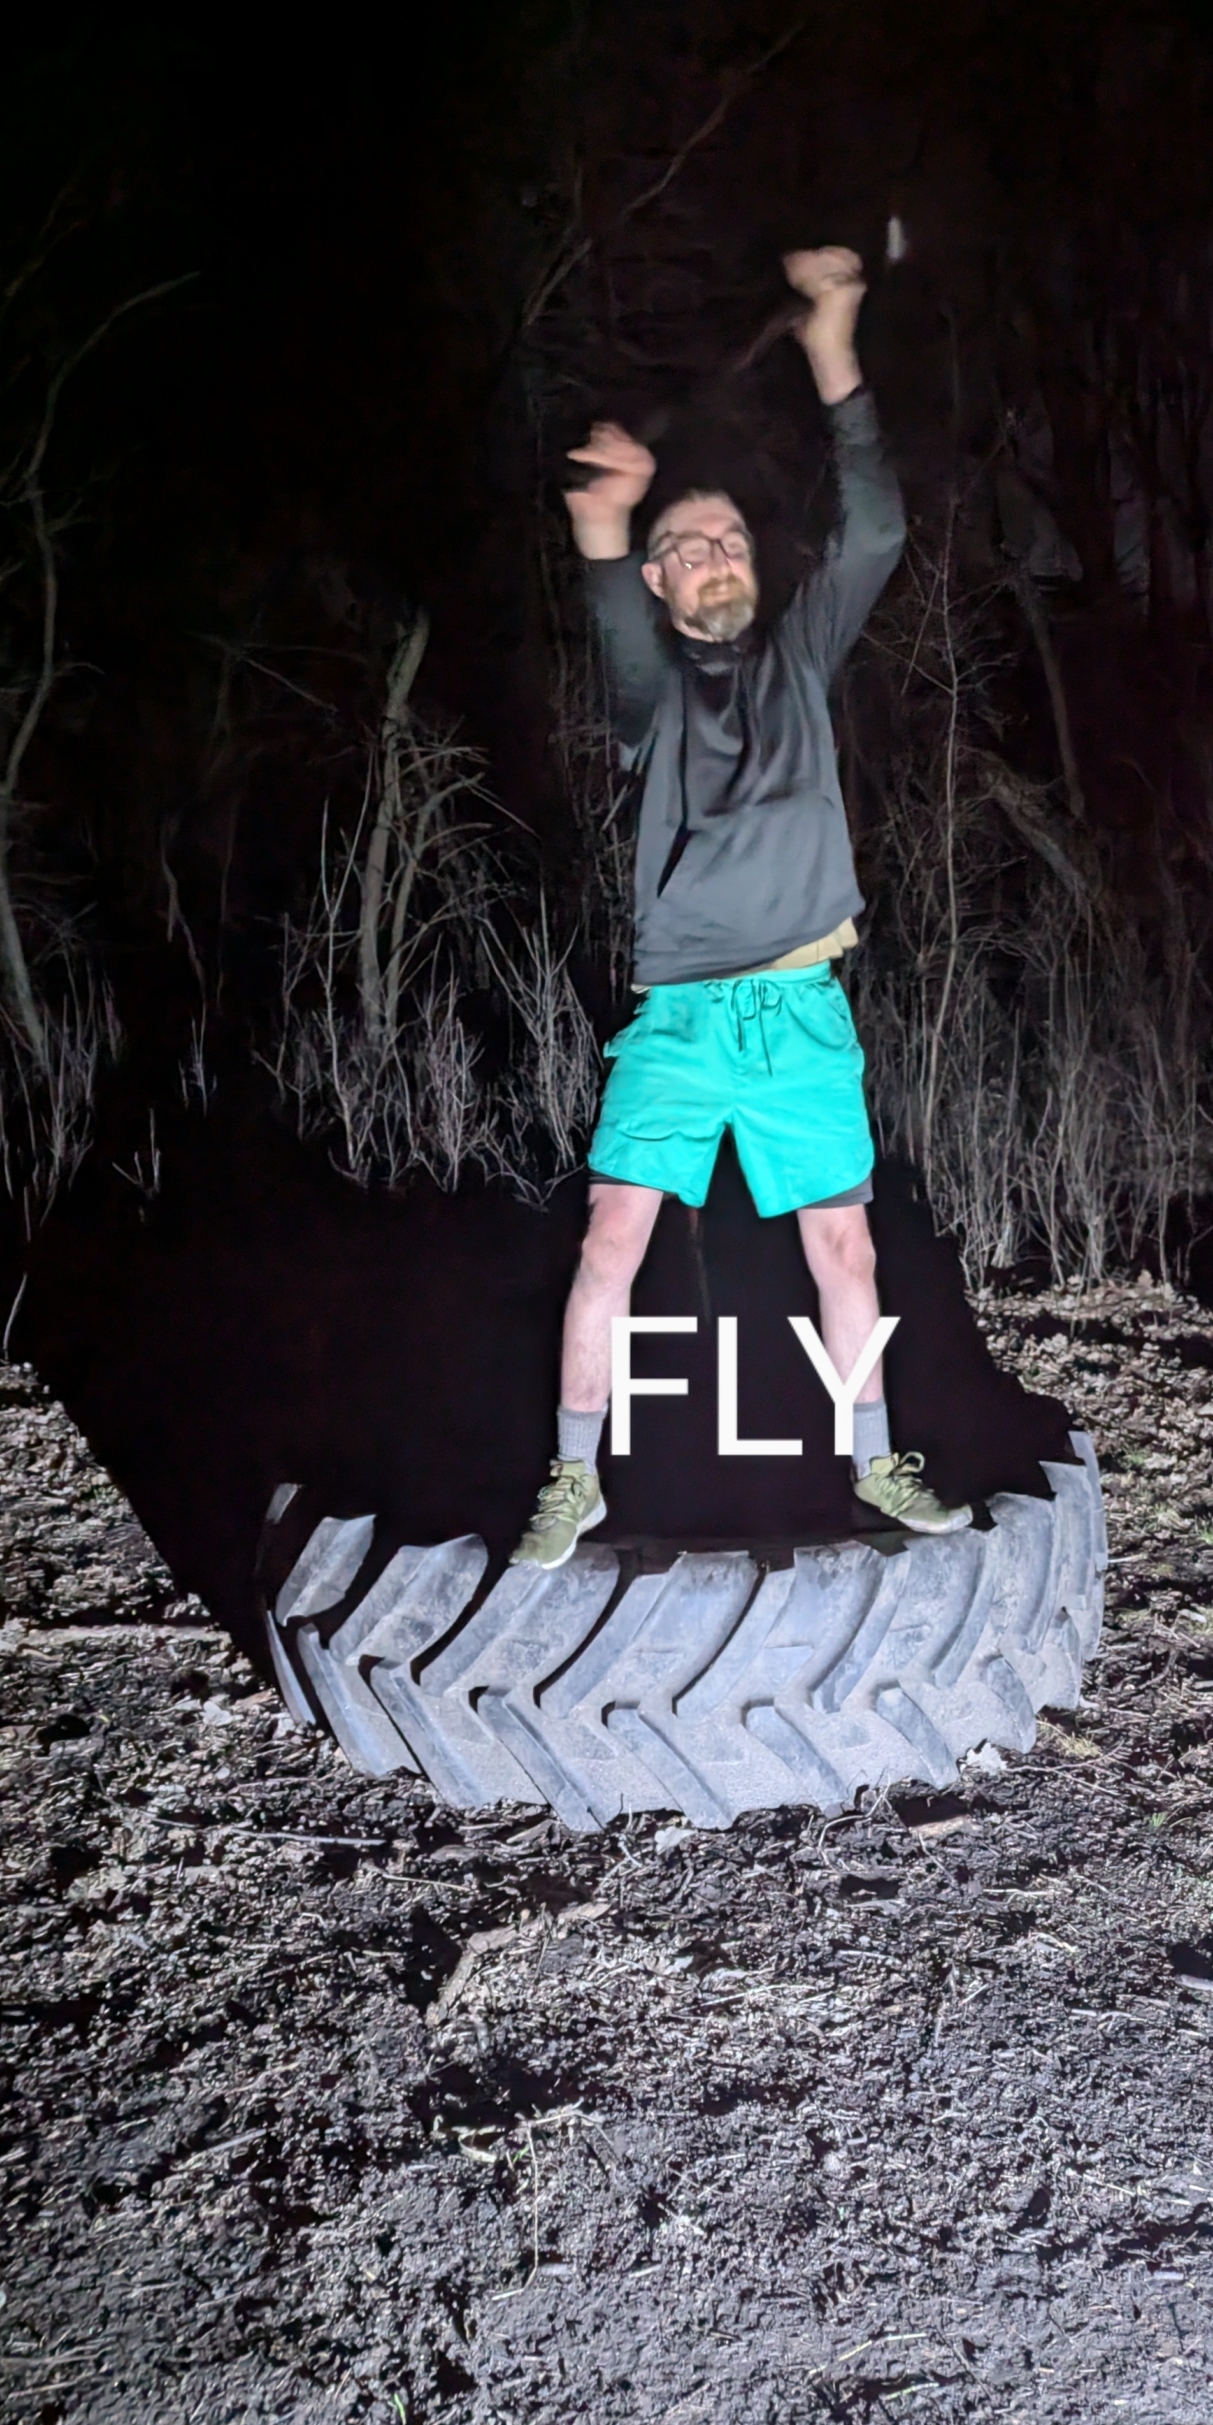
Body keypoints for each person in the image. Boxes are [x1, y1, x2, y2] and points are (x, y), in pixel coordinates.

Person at [514, 244, 969, 1568]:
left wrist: (833, 345)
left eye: (723, 540)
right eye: (682, 549)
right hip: (680, 1021)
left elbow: (875, 529)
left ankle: (875, 1462)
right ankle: (572, 1475)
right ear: (661, 581)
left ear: (753, 565)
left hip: (801, 1011)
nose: (709, 556)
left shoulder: (801, 660)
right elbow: (611, 622)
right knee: (611, 1240)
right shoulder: (655, 699)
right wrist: (607, 525)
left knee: (845, 1250)